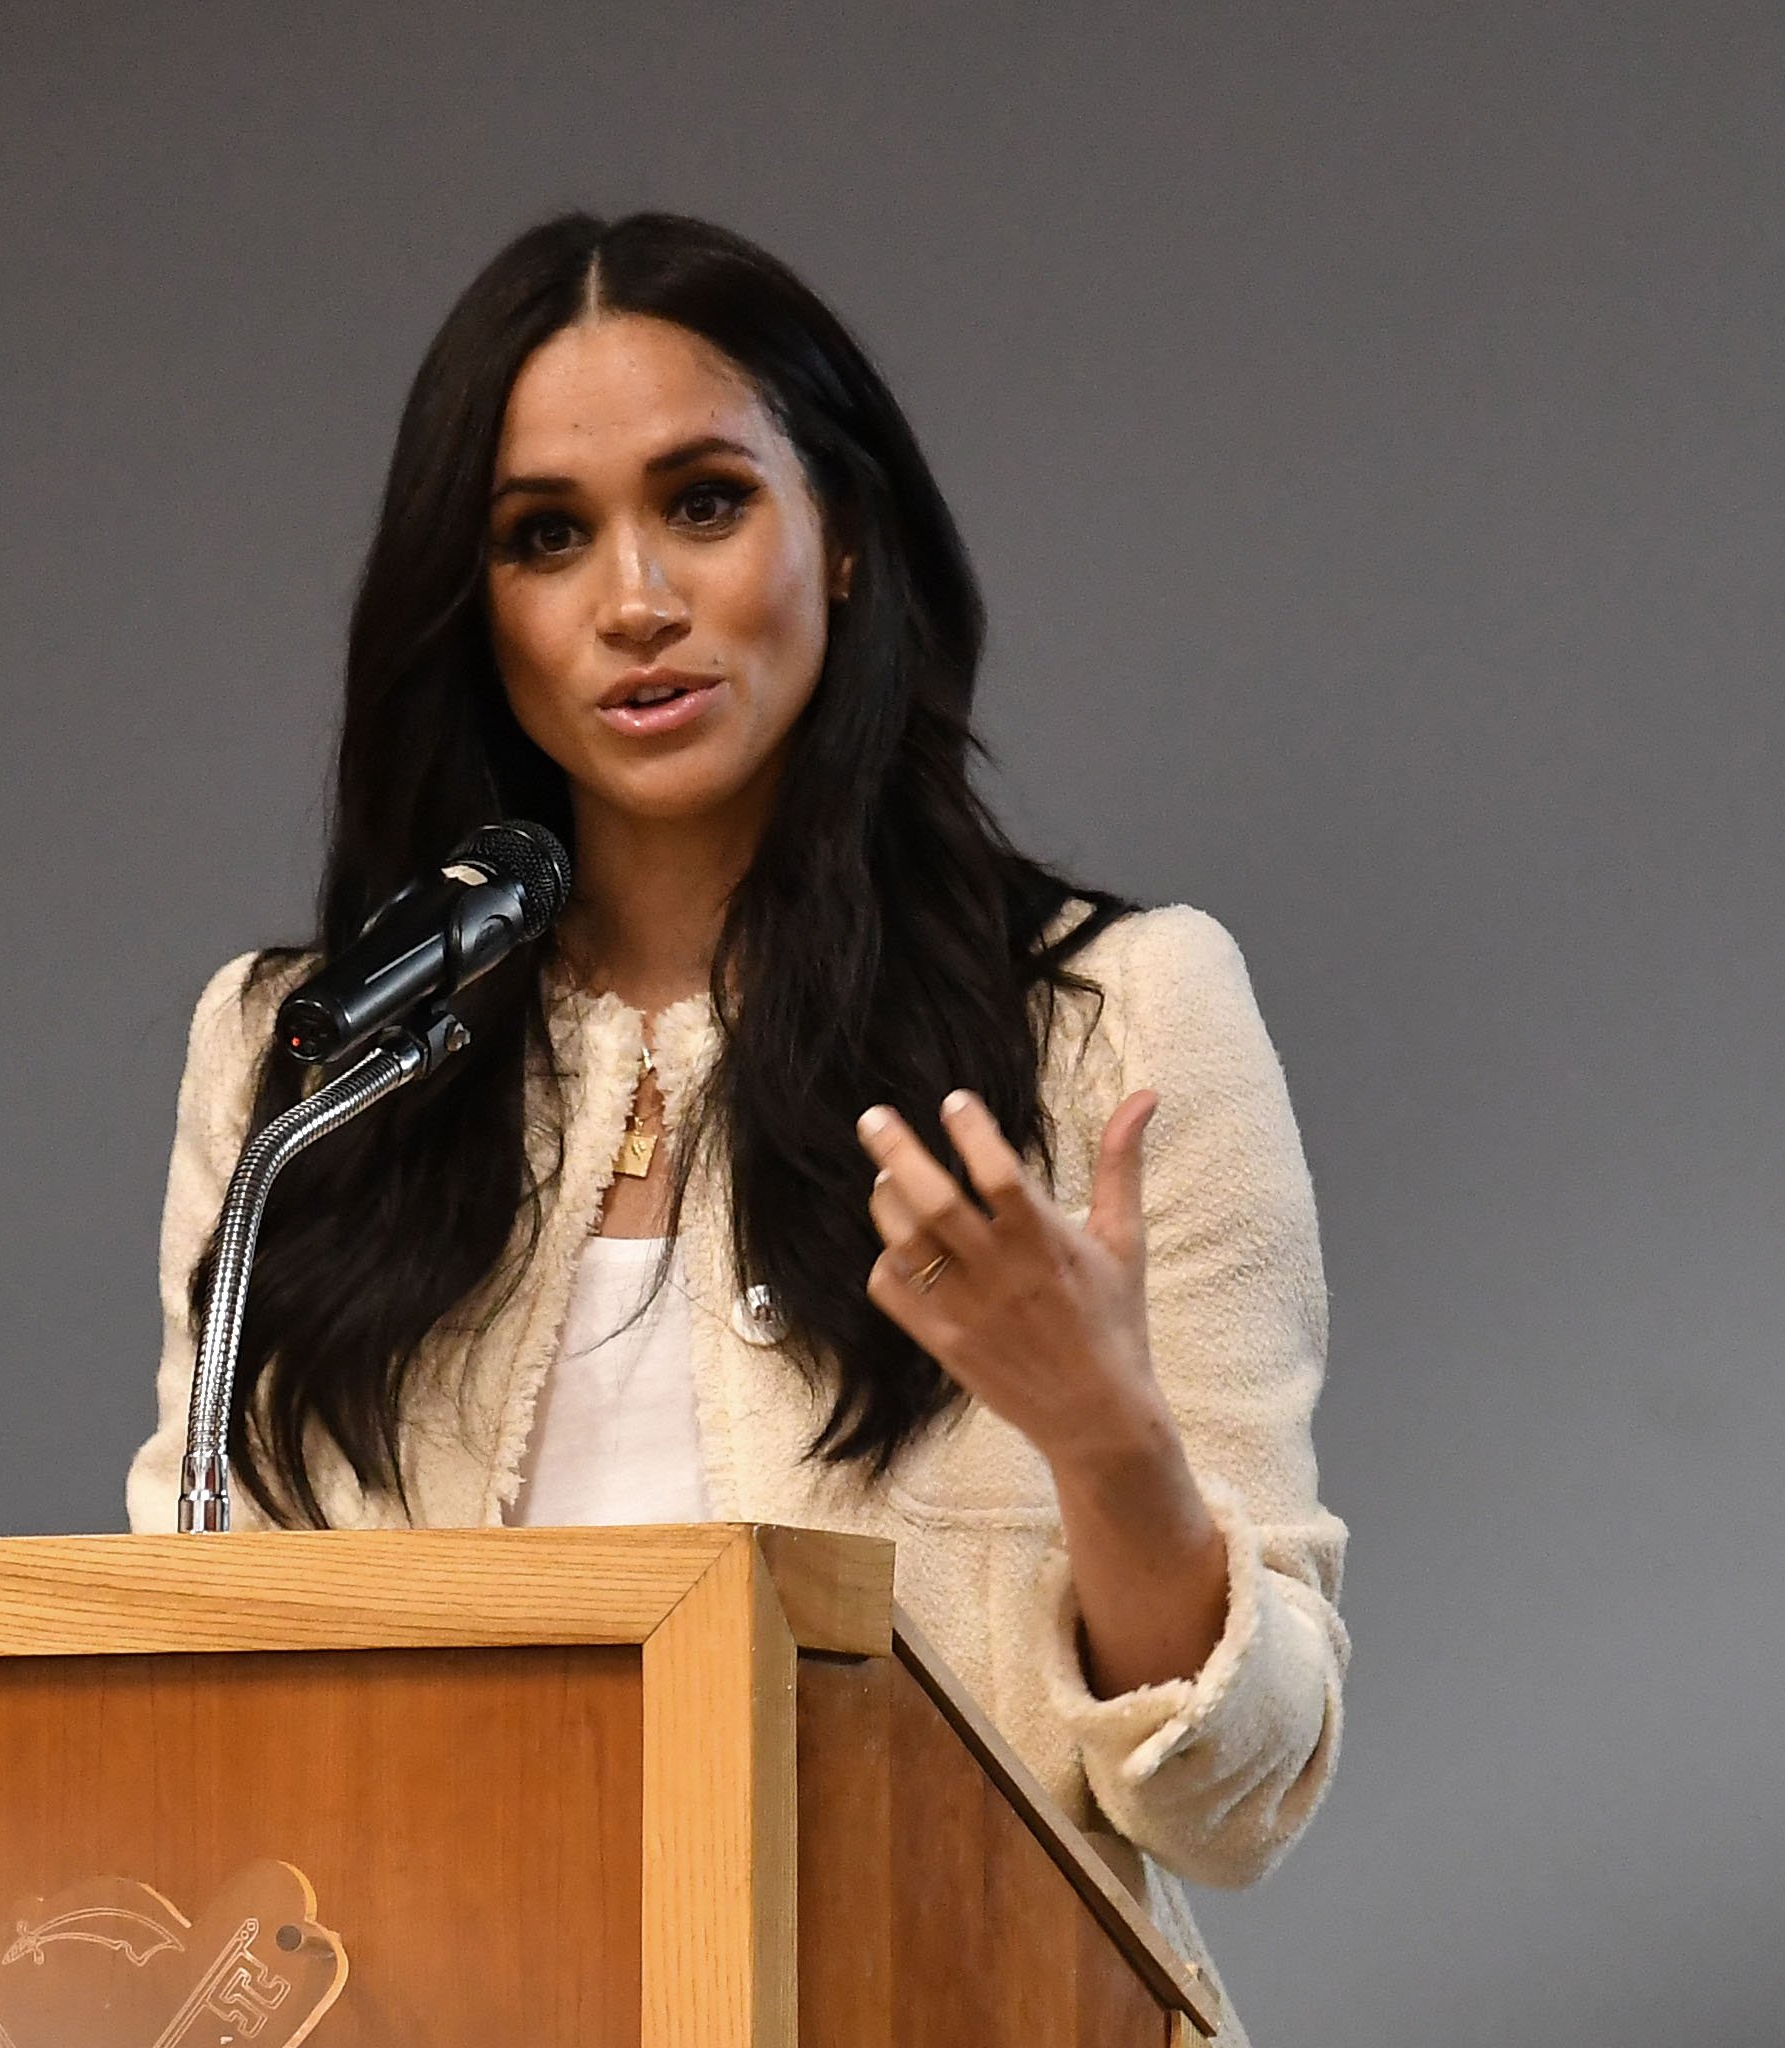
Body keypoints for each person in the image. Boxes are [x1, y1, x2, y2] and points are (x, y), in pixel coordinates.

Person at [125, 211, 1343, 2041]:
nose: (634, 601)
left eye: (703, 504)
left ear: (841, 534)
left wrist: (1110, 1446)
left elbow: (1240, 1797)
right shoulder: (304, 1062)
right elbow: (170, 1670)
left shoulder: (1115, 1017)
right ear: (476, 608)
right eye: (546, 536)